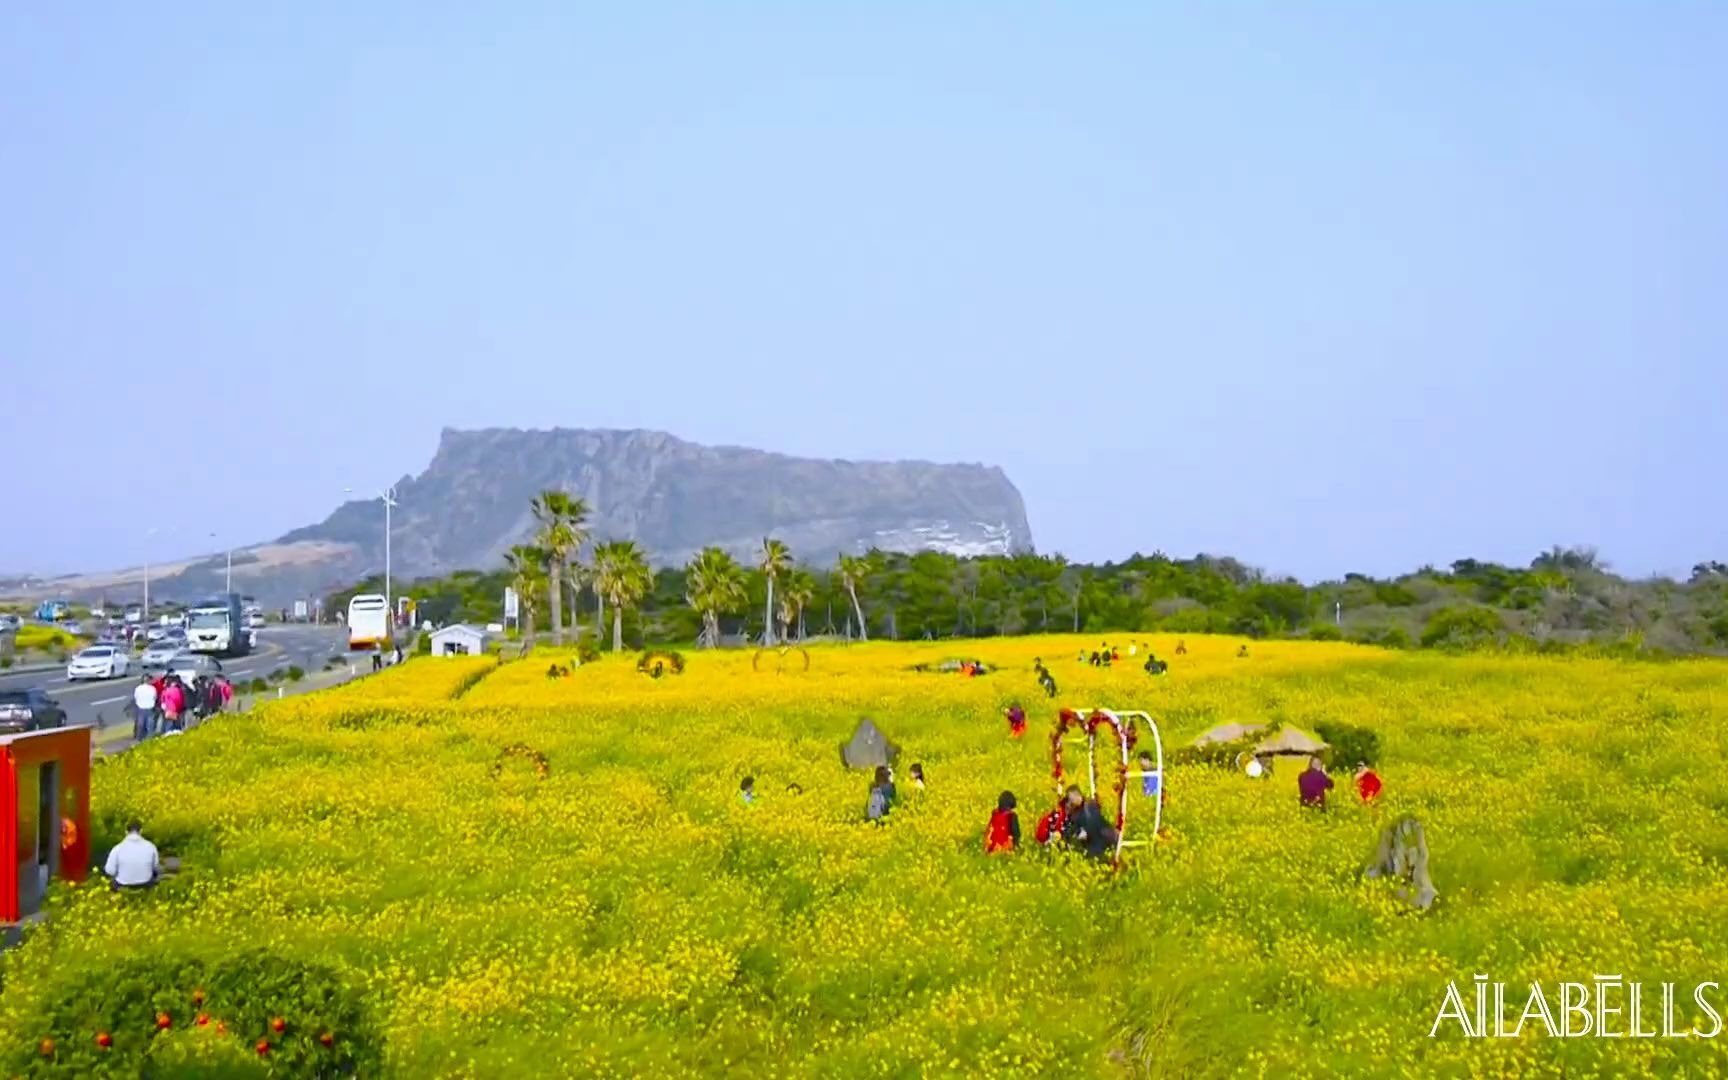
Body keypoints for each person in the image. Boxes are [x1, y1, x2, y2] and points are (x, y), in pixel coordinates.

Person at [104, 821, 160, 889]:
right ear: (141, 831)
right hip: (145, 885)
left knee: (110, 882)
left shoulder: (117, 848)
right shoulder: (151, 847)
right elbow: (155, 867)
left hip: (123, 886)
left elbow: (110, 871)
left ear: (126, 832)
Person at [131, 676, 157, 743]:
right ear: (149, 681)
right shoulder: (152, 688)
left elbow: (135, 697)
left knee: (140, 724)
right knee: (150, 724)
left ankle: (139, 738)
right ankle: (149, 739)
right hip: (150, 707)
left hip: (141, 708)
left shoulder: (138, 688)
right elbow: (155, 697)